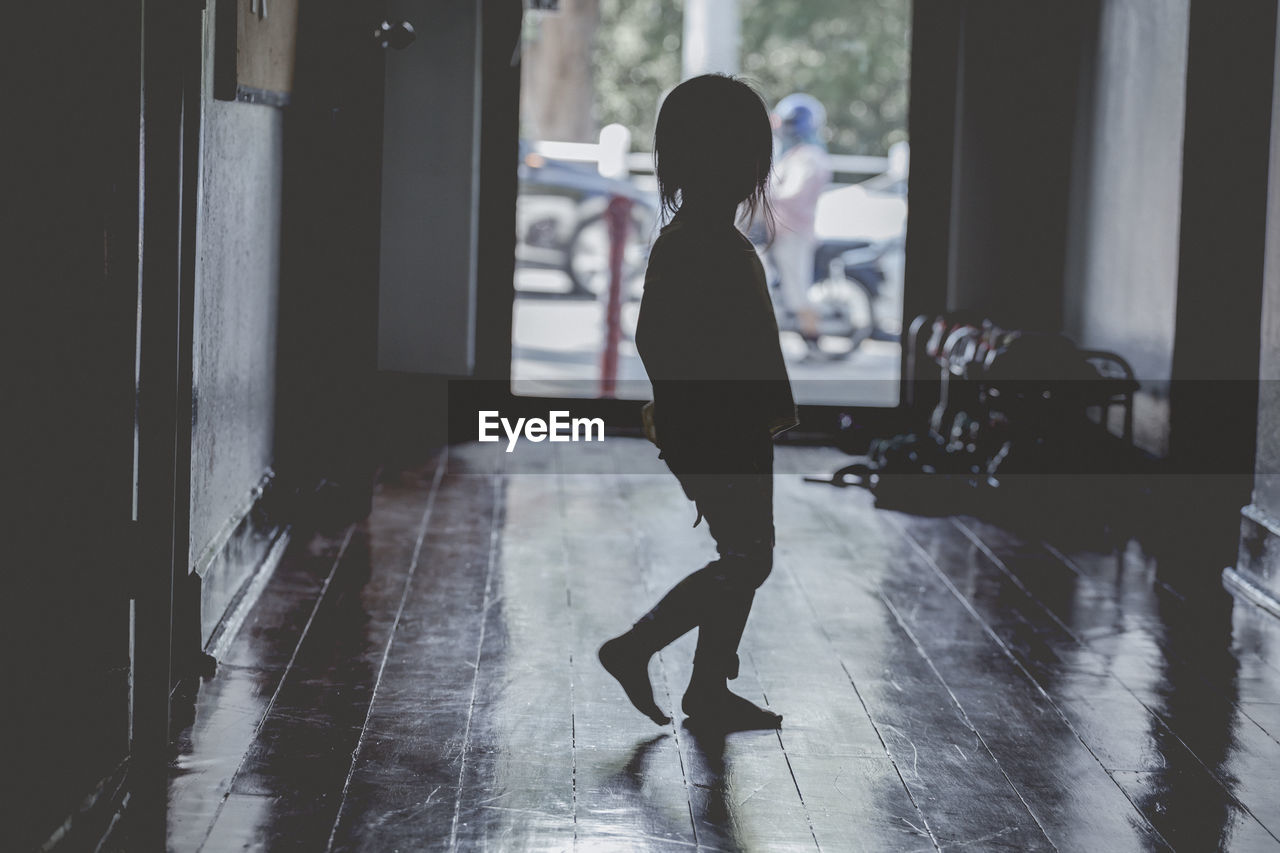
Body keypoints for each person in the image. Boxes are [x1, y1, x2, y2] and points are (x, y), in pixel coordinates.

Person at [597, 74, 798, 731]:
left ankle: (708, 687)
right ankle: (637, 647)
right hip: (717, 428)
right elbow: (659, 339)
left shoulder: (701, 236)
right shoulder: (695, 242)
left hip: (721, 426)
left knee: (745, 550)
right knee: (748, 555)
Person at [768, 93, 833, 353]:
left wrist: (766, 195)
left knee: (797, 288)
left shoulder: (808, 157)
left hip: (793, 232)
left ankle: (813, 340)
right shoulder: (795, 153)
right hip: (782, 230)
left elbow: (792, 194)